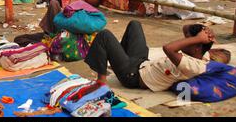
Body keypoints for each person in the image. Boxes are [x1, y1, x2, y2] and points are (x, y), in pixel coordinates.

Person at [85, 22, 217, 91]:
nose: (184, 40)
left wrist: (198, 38)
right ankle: (118, 58)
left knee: (104, 35)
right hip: (142, 63)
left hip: (132, 76)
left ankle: (101, 82)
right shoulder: (203, 53)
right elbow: (186, 27)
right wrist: (204, 30)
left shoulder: (193, 65)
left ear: (196, 46)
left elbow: (168, 48)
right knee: (134, 24)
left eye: (188, 39)